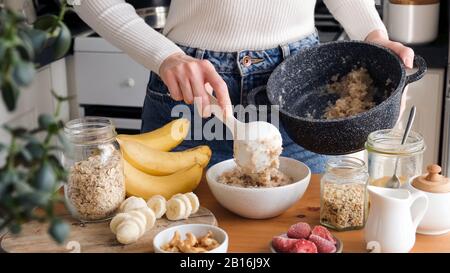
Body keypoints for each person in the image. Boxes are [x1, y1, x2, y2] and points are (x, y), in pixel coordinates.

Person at [75, 0, 414, 173]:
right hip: (190, 93)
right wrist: (163, 57)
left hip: (296, 90)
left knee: (303, 236)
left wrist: (374, 35)